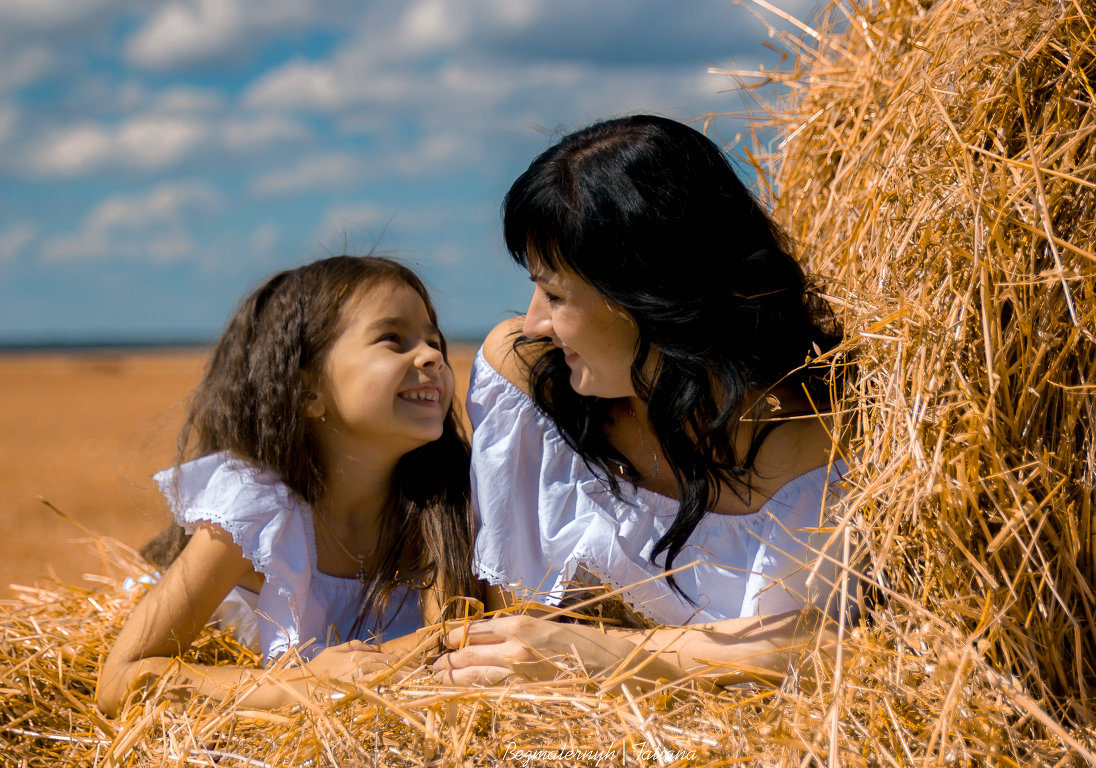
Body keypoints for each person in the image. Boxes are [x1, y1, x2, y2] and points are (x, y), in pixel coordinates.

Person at [434, 115, 853, 688]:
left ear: (648, 296)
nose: (532, 322)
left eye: (554, 293)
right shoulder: (528, 389)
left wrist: (606, 653)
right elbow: (499, 626)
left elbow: (831, 646)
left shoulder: (816, 444)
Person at [97, 255, 479, 715]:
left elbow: (449, 653)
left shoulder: (444, 502)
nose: (433, 356)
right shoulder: (256, 511)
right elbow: (120, 680)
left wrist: (377, 666)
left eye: (434, 341)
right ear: (307, 392)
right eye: (392, 340)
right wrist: (303, 684)